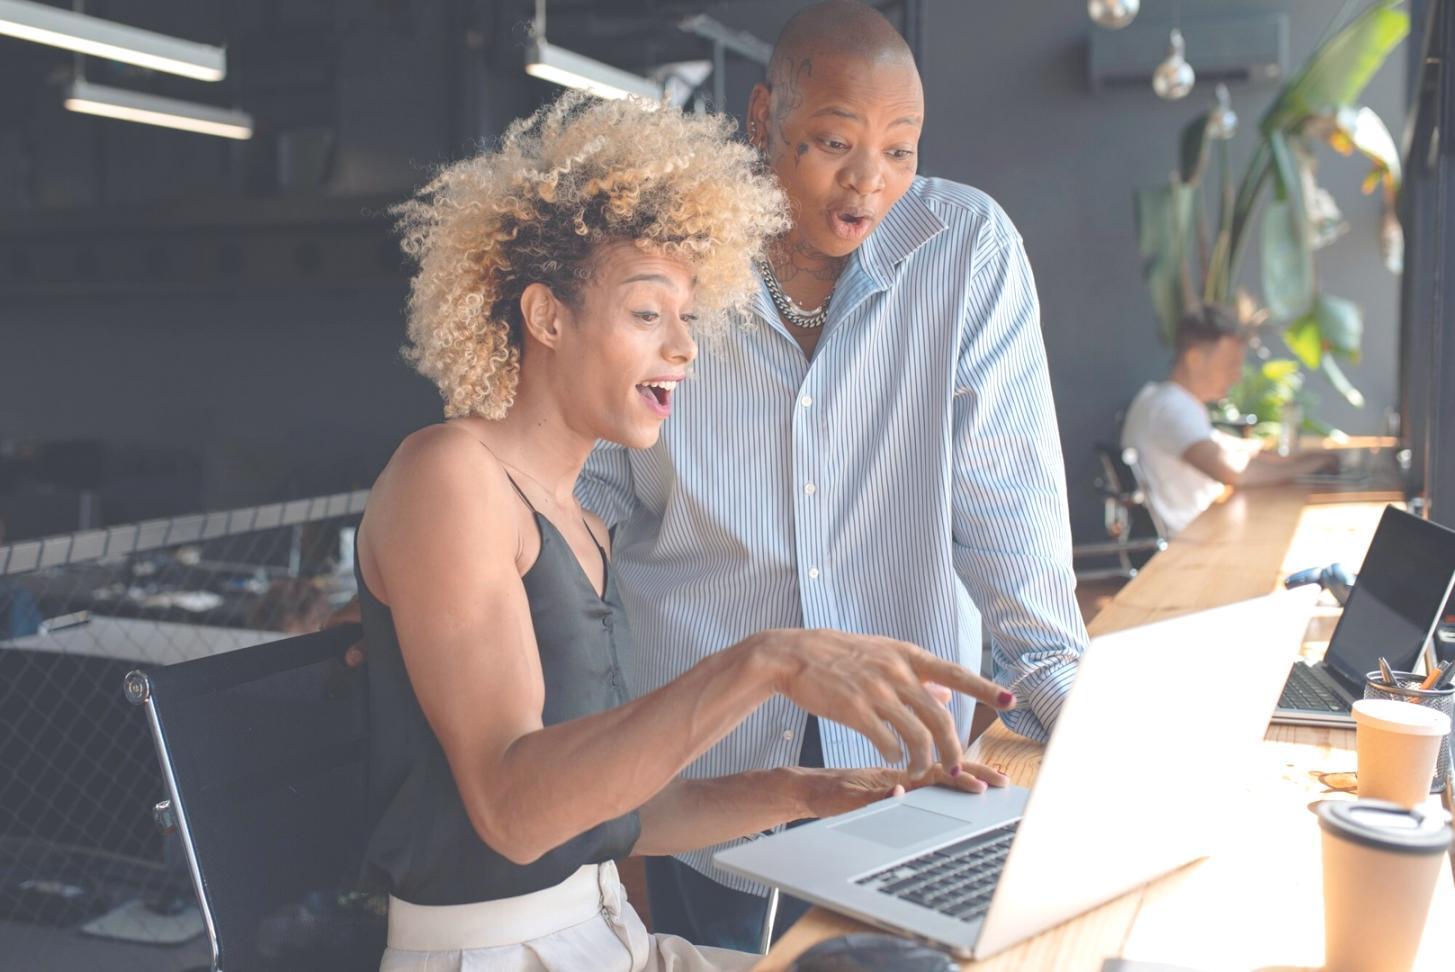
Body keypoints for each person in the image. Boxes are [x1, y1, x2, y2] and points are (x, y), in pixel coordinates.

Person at [356, 93, 1016, 972]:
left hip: (608, 939)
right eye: (646, 314)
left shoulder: (578, 518)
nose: (684, 349)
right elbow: (515, 814)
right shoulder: (450, 474)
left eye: (688, 318)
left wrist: (815, 794)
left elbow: (609, 811)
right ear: (546, 317)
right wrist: (765, 661)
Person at [576, 0, 1089, 950]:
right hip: (705, 765)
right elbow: (585, 493)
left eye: (900, 150)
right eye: (834, 142)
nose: (868, 180)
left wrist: (1069, 698)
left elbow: (1005, 496)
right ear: (762, 115)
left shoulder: (965, 249)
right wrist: (474, 611)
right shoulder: (662, 257)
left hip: (908, 768)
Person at [1121, 303, 1336, 537]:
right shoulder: (1172, 408)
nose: (1237, 376)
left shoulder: (1162, 399)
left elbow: (1233, 447)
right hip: (1192, 541)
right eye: (1230, 365)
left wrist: (1302, 457)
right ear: (1194, 358)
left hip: (1201, 530)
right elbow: (1233, 472)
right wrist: (1309, 466)